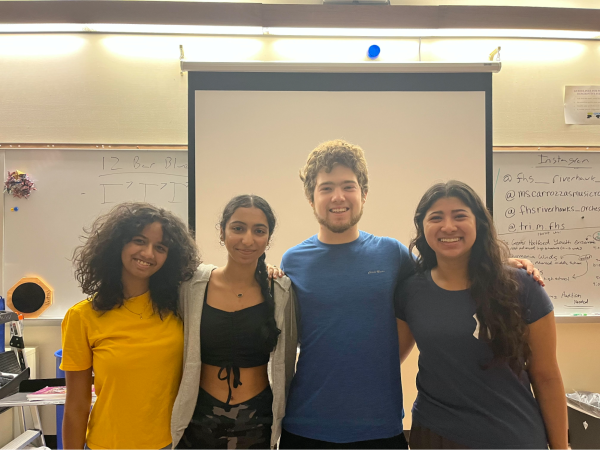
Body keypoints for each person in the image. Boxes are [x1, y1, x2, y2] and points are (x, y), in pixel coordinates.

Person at [277, 140, 542, 449]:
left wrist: (500, 266)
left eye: (348, 186)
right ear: (311, 198)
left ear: (363, 193)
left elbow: (449, 272)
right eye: (326, 188)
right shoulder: (292, 260)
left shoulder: (391, 254)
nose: (338, 197)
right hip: (306, 423)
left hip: (379, 425)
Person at [396, 180, 568, 450]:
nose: (449, 226)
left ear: (479, 223)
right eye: (436, 217)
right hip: (434, 437)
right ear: (423, 227)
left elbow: (546, 376)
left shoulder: (521, 285)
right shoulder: (410, 290)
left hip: (513, 438)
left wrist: (561, 447)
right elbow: (390, 357)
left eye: (460, 215)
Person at [61, 202, 201, 450]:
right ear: (118, 244)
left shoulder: (180, 309)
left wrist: (262, 271)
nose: (148, 254)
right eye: (139, 241)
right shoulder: (82, 317)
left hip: (171, 443)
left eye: (160, 247)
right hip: (107, 443)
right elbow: (76, 404)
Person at [171, 194, 298, 450]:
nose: (247, 239)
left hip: (257, 421)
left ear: (268, 238)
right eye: (238, 228)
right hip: (198, 418)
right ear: (222, 232)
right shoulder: (191, 286)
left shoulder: (281, 290)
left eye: (259, 231)